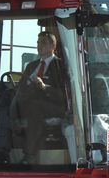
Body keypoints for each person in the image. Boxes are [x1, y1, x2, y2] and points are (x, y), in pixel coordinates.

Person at [10, 31, 68, 164]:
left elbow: (63, 95)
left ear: (53, 45)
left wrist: (43, 87)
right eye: (38, 43)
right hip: (28, 102)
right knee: (2, 102)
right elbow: (21, 88)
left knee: (34, 107)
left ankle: (29, 155)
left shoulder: (60, 66)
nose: (39, 46)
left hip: (54, 106)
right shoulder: (31, 66)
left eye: (43, 43)